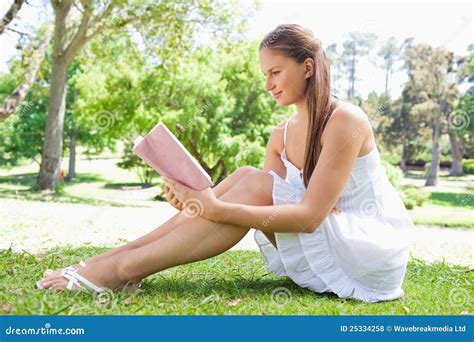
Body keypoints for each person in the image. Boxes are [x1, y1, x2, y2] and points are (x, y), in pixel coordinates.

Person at [37, 24, 413, 302]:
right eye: (264, 74)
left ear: (308, 67)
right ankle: (115, 259)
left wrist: (215, 207)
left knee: (250, 184)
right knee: (248, 178)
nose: (268, 84)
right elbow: (275, 198)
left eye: (276, 72)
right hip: (320, 244)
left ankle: (122, 270)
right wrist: (195, 202)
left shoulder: (345, 120)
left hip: (363, 253)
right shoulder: (281, 133)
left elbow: (308, 216)